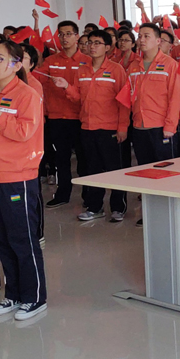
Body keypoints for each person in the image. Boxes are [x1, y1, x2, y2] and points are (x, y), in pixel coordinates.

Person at [0, 40, 47, 322]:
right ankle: (14, 293)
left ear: (17, 65)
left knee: (22, 238)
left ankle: (35, 297)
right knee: (0, 238)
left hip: (17, 175)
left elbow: (24, 132)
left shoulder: (27, 94)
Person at [58, 30, 130, 222]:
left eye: (97, 43)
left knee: (114, 169)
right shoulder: (81, 70)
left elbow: (124, 101)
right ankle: (95, 207)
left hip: (110, 128)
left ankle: (118, 207)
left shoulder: (116, 70)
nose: (92, 46)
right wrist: (66, 87)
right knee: (92, 169)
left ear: (107, 47)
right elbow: (78, 98)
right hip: (87, 127)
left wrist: (122, 127)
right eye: (90, 42)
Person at [36, 20, 91, 210]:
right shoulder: (51, 61)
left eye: (68, 34)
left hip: (80, 118)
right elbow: (37, 78)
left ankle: (88, 195)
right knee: (61, 159)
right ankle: (62, 193)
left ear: (77, 36)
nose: (64, 38)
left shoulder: (87, 60)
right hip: (57, 117)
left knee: (84, 159)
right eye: (61, 34)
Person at [125, 23, 180, 168]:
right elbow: (127, 96)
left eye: (146, 36)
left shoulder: (170, 65)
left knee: (166, 171)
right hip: (138, 126)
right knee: (144, 169)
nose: (142, 40)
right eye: (140, 36)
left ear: (158, 41)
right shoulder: (133, 66)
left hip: (161, 127)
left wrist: (170, 126)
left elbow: (175, 98)